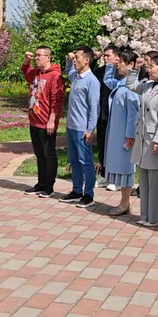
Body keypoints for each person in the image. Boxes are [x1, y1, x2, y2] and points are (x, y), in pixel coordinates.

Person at [127, 54, 158, 226]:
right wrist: (135, 69)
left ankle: (157, 216)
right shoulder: (147, 86)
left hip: (155, 139)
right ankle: (145, 215)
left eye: (152, 67)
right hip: (142, 137)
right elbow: (131, 85)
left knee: (155, 181)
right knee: (144, 178)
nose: (149, 70)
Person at [60, 46, 100, 208]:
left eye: (77, 58)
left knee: (86, 162)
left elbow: (94, 108)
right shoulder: (76, 77)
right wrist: (68, 60)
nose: (75, 60)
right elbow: (68, 71)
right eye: (74, 57)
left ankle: (88, 194)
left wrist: (90, 130)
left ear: (87, 60)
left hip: (83, 129)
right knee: (74, 161)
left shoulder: (92, 81)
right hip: (71, 127)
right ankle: (77, 191)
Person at [21, 47, 65, 198]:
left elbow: (57, 100)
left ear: (48, 57)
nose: (37, 58)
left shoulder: (55, 75)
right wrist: (26, 60)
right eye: (36, 55)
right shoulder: (35, 73)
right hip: (34, 120)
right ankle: (40, 183)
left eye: (40, 55)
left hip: (47, 122)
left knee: (49, 154)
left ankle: (49, 186)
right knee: (39, 154)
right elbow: (25, 72)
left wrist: (52, 120)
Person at [103, 48, 140, 216]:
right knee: (119, 164)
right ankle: (123, 201)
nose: (119, 66)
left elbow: (133, 113)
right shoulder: (121, 83)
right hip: (117, 131)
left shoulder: (133, 86)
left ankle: (125, 202)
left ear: (131, 65)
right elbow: (107, 81)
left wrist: (130, 135)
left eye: (122, 63)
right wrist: (110, 65)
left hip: (125, 134)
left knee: (126, 166)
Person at [94, 44, 121, 190]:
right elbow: (90, 74)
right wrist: (93, 59)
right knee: (102, 145)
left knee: (114, 147)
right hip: (102, 114)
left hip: (115, 115)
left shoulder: (121, 72)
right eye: (104, 56)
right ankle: (104, 174)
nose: (105, 58)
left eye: (108, 56)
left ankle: (116, 178)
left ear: (117, 58)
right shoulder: (101, 71)